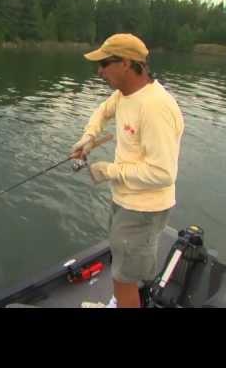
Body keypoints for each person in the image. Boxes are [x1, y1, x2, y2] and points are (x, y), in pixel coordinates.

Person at [70, 33, 184, 308]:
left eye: (105, 63)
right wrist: (88, 138)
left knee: (123, 277)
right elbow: (103, 111)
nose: (99, 71)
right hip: (125, 199)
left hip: (143, 208)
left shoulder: (155, 107)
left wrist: (109, 171)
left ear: (126, 63)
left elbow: (163, 173)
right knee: (126, 268)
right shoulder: (125, 94)